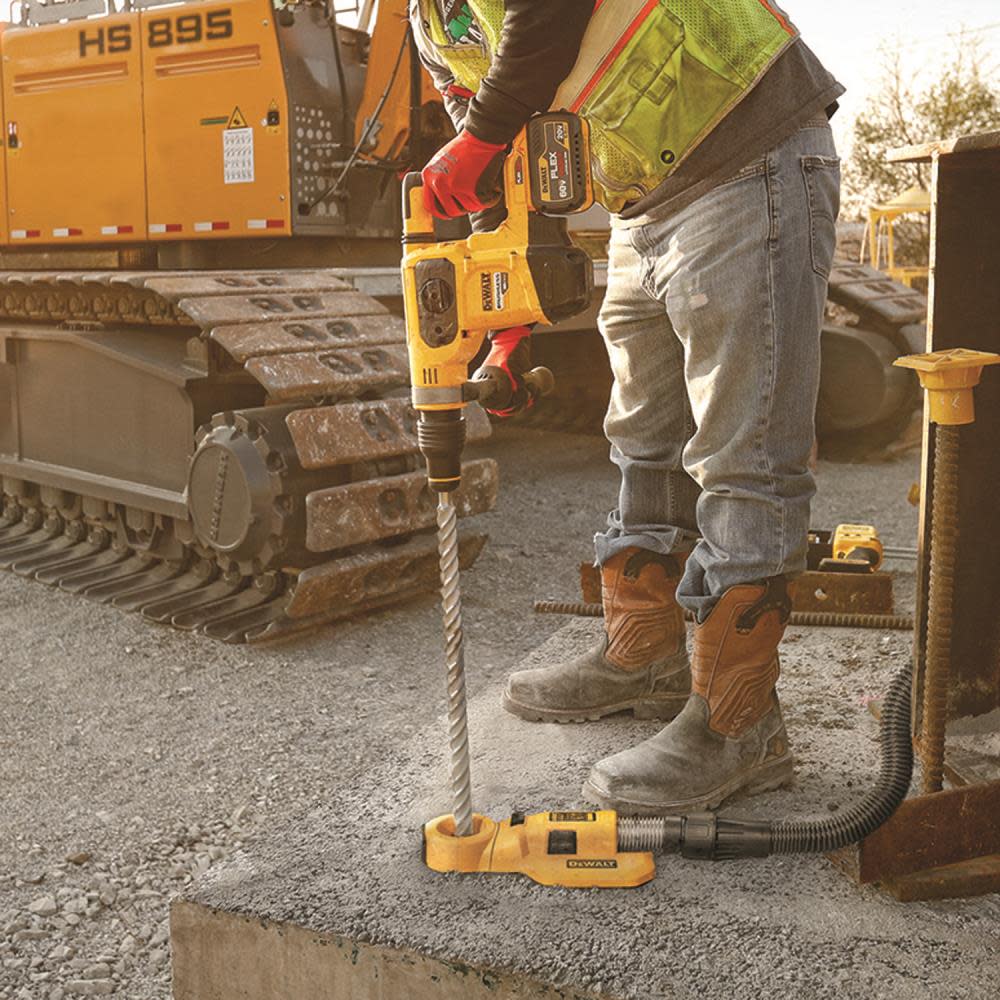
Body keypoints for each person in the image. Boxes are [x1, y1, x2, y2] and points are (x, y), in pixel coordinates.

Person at [410, 0, 844, 814]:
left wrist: (479, 136)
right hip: (642, 201)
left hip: (743, 146)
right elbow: (501, 169)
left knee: (742, 450)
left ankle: (742, 726)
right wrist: (507, 318)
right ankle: (645, 654)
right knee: (642, 433)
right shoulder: (429, 23)